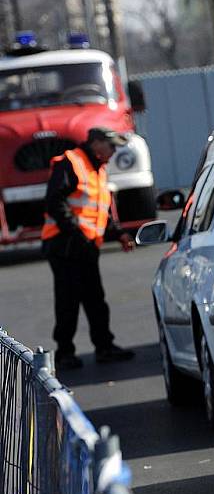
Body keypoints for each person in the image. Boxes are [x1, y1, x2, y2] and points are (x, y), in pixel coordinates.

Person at [41, 127, 137, 371]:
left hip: (86, 245)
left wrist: (119, 233)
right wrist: (75, 231)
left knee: (95, 298)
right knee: (68, 300)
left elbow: (100, 209)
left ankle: (104, 347)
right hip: (65, 245)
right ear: (96, 144)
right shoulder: (72, 162)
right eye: (111, 146)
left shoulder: (98, 170)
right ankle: (64, 353)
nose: (114, 152)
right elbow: (55, 201)